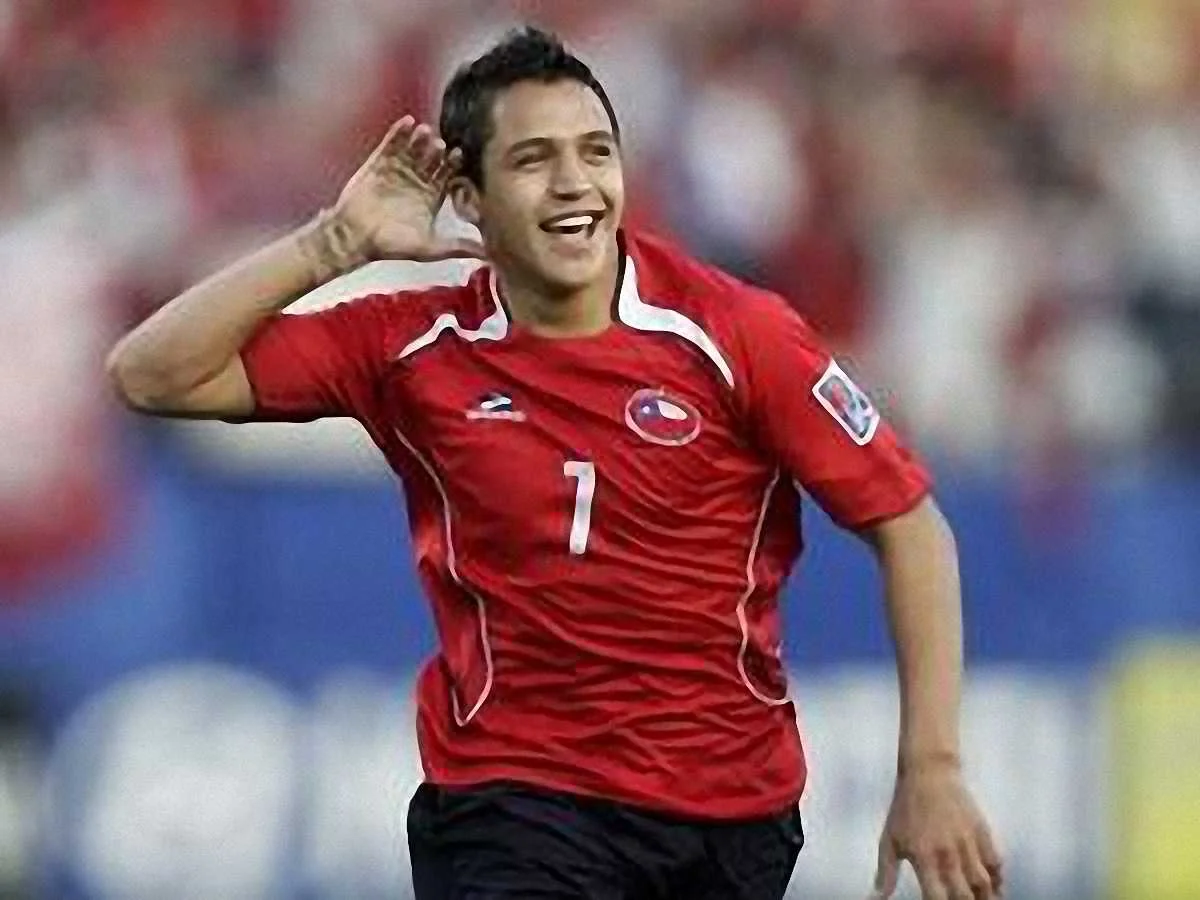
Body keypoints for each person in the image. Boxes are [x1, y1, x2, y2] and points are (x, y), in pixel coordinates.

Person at [106, 26, 1003, 900]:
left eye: (596, 152)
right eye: (534, 159)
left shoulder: (738, 334)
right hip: (512, 800)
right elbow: (152, 374)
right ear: (469, 196)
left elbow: (910, 526)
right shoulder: (413, 344)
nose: (576, 183)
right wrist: (332, 245)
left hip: (730, 814)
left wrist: (931, 769)